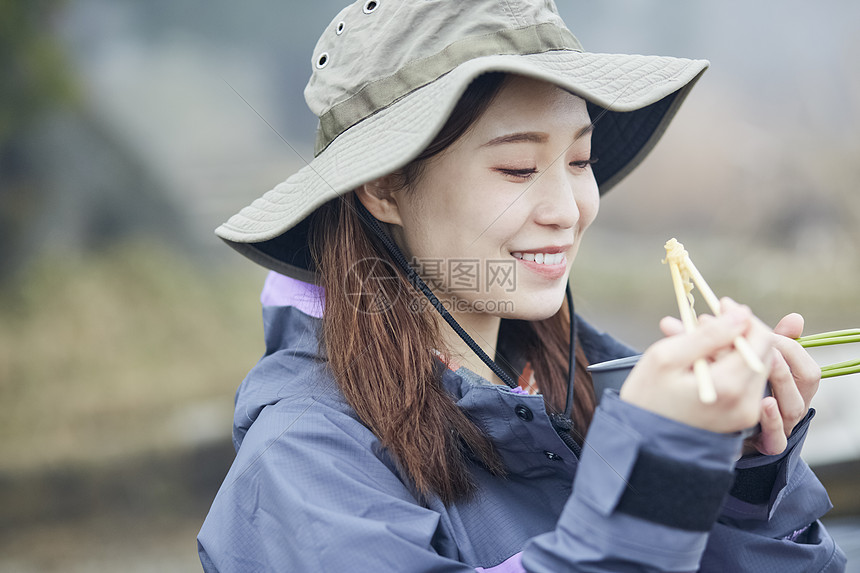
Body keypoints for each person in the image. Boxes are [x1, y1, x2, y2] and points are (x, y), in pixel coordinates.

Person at [198, 1, 846, 571]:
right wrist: (651, 480)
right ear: (384, 187)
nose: (567, 208)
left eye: (580, 160)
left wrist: (744, 481)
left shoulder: (602, 396)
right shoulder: (303, 465)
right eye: (517, 167)